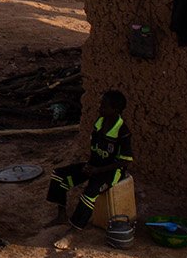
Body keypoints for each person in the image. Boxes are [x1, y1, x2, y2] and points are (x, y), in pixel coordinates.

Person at [47, 90, 132, 232]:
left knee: (89, 193)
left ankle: (74, 230)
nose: (99, 107)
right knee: (58, 176)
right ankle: (61, 215)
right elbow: (95, 148)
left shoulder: (122, 131)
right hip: (94, 166)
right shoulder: (99, 122)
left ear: (116, 110)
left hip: (112, 172)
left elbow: (124, 162)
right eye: (100, 104)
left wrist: (98, 170)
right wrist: (89, 166)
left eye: (104, 106)